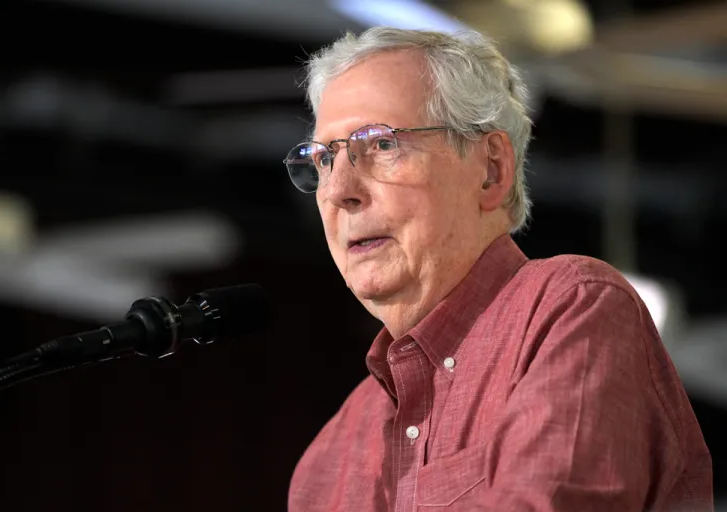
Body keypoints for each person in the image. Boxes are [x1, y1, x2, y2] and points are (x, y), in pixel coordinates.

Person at [283, 27, 713, 512]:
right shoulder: (326, 464)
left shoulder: (570, 309)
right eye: (322, 158)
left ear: (490, 169)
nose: (339, 190)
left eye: (381, 145)